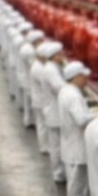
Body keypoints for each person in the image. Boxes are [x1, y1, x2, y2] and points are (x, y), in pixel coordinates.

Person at [56, 61, 96, 196]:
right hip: (76, 145)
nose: (86, 80)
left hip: (71, 141)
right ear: (76, 77)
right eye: (83, 76)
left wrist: (91, 111)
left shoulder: (67, 91)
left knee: (79, 179)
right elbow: (80, 119)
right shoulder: (73, 95)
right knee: (76, 180)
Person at [38, 41, 68, 183]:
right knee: (56, 146)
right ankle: (58, 173)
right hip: (54, 113)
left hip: (54, 111)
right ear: (54, 56)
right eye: (60, 54)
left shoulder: (53, 67)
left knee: (57, 144)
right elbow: (60, 88)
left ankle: (60, 172)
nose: (62, 56)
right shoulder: (50, 70)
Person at [18, 30, 43, 128]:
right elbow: (33, 65)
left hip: (26, 77)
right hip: (28, 79)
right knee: (29, 102)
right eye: (40, 41)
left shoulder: (27, 47)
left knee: (28, 101)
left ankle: (29, 120)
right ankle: (29, 121)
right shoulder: (29, 51)